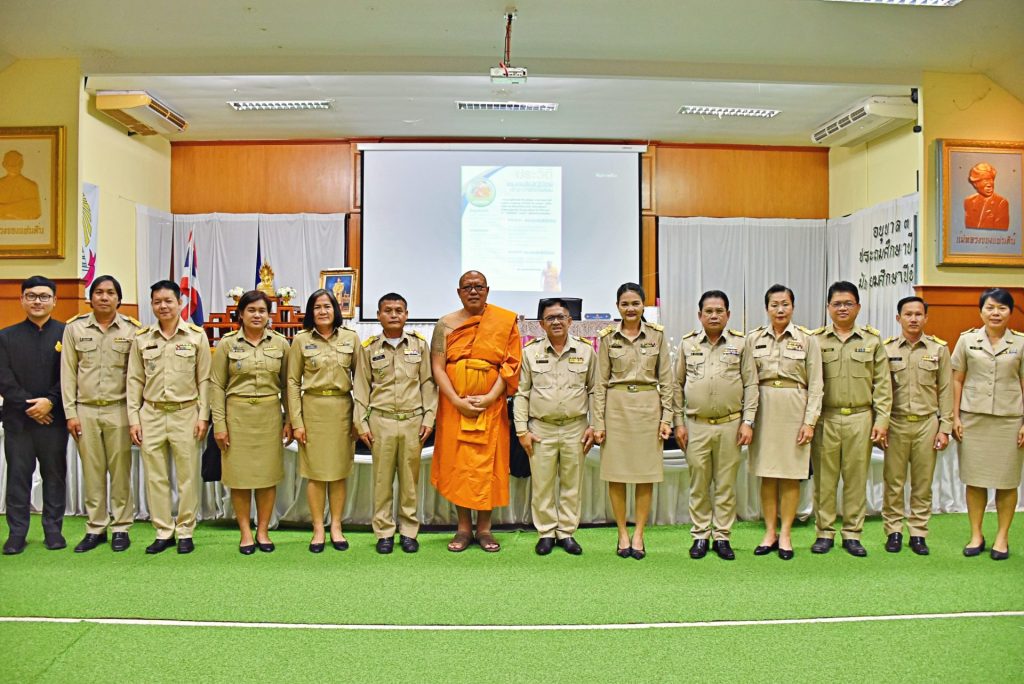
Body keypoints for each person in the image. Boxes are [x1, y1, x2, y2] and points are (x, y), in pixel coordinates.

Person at [431, 271, 522, 553]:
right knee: (459, 465)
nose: (473, 291)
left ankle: (484, 529)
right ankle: (462, 528)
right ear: (459, 292)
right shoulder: (445, 324)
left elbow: (511, 365)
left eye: (478, 286)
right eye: (467, 287)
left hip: (491, 406)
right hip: (454, 406)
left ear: (487, 290)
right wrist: (456, 400)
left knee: (488, 465)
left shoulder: (504, 321)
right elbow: (437, 367)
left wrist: (491, 397)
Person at [127, 280, 211, 554]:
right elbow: (134, 380)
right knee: (156, 477)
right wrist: (134, 419)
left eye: (168, 301)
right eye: (157, 302)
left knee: (187, 477)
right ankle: (163, 531)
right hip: (151, 413)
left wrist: (203, 416)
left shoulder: (196, 336)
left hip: (185, 413)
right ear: (152, 305)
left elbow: (204, 380)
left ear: (180, 303)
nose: (163, 306)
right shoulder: (142, 338)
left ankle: (185, 531)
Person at [673, 290, 758, 561]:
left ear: (728, 315)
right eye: (708, 311)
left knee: (725, 484)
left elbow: (751, 384)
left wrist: (748, 422)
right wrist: (678, 423)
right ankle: (700, 535)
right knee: (698, 483)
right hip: (696, 425)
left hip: (730, 425)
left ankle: (722, 536)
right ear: (700, 315)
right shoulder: (688, 344)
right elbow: (676, 385)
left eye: (719, 311)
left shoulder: (741, 344)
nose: (713, 315)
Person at [60, 275, 141, 553]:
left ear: (119, 299)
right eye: (99, 292)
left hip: (119, 409)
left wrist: (134, 416)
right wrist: (70, 412)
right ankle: (95, 527)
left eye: (110, 292)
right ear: (90, 298)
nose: (104, 297)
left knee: (120, 472)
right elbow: (68, 373)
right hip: (85, 410)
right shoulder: (74, 328)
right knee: (92, 472)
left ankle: (121, 527)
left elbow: (136, 377)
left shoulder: (132, 330)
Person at [592, 283, 673, 560]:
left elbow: (667, 381)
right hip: (616, 409)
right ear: (617, 306)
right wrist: (599, 423)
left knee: (645, 475)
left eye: (635, 303)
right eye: (625, 304)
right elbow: (600, 384)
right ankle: (622, 532)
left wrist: (667, 418)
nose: (630, 309)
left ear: (643, 305)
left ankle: (638, 533)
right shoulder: (607, 338)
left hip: (648, 409)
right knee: (616, 474)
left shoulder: (657, 336)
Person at [811, 281, 892, 557]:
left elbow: (882, 385)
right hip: (826, 418)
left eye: (848, 303)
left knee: (856, 479)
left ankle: (852, 534)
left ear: (858, 307)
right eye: (837, 304)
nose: (842, 308)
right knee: (824, 480)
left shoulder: (872, 340)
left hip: (860, 417)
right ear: (828, 307)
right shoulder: (816, 340)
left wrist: (882, 421)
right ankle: (824, 532)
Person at [210, 290, 292, 555]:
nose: (257, 315)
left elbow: (288, 385)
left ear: (269, 315)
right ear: (241, 314)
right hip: (237, 417)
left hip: (269, 415)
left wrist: (290, 419)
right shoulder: (227, 344)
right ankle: (245, 532)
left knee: (267, 477)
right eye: (252, 310)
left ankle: (263, 531)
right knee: (240, 477)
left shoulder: (281, 344)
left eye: (262, 311)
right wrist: (219, 425)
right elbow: (216, 386)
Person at [354, 293, 437, 554]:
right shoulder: (369, 347)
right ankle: (384, 532)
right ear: (378, 315)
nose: (393, 314)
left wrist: (429, 418)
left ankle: (409, 531)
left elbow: (427, 383)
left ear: (406, 314)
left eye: (398, 310)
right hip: (381, 421)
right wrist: (362, 424)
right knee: (382, 481)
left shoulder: (419, 345)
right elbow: (361, 387)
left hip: (413, 421)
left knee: (410, 482)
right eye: (388, 310)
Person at [514, 298, 596, 556]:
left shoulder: (586, 351)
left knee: (572, 484)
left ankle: (567, 532)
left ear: (570, 321)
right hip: (541, 429)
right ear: (541, 324)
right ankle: (547, 533)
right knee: (542, 485)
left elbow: (595, 390)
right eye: (550, 318)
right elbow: (521, 393)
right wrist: (521, 430)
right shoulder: (530, 352)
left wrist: (594, 425)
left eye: (561, 317)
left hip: (576, 427)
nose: (556, 322)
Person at [746, 284, 823, 561]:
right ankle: (769, 532)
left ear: (793, 307)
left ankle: (786, 534)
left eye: (785, 304)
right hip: (764, 408)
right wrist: (748, 420)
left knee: (791, 475)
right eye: (774, 305)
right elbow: (747, 382)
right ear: (766, 308)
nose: (780, 309)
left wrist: (810, 422)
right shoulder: (753, 339)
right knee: (767, 474)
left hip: (794, 408)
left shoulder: (807, 339)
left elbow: (816, 385)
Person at [951, 288, 1024, 561]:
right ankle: (976, 535)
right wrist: (955, 417)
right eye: (990, 307)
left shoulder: (1021, 343)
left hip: (1009, 421)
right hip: (973, 419)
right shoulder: (967, 340)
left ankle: (1002, 537)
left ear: (1010, 312)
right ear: (981, 311)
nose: (996, 313)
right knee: (975, 480)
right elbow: (956, 379)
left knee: (1007, 482)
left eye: (1002, 308)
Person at [286, 289, 360, 554]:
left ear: (335, 309)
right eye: (317, 307)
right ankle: (318, 528)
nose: (322, 311)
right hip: (313, 411)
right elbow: (292, 382)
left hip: (342, 410)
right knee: (316, 475)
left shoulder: (351, 338)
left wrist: (359, 419)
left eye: (327, 306)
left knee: (338, 473)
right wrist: (297, 421)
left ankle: (336, 526)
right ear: (311, 312)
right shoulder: (301, 340)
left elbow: (361, 381)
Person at [0, 276, 67, 555]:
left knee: (55, 476)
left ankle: (53, 531)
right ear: (22, 300)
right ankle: (17, 534)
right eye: (31, 296)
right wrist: (31, 407)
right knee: (18, 479)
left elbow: (71, 376)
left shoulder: (67, 334)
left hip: (54, 420)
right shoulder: (5, 336)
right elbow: (4, 379)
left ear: (54, 300)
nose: (37, 301)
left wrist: (50, 402)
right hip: (18, 422)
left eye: (43, 296)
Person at [882, 296, 953, 555]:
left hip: (927, 424)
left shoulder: (939, 349)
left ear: (926, 318)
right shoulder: (886, 349)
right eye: (908, 314)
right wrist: (881, 424)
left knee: (923, 483)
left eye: (918, 314)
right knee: (893, 482)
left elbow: (946, 390)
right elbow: (880, 390)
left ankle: (918, 533)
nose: (913, 319)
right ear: (898, 318)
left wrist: (945, 427)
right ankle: (894, 531)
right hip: (896, 423)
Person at [963, 163, 1010, 230]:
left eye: (991, 179)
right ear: (975, 184)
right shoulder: (969, 201)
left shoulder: (1001, 203)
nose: (989, 185)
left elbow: (1000, 232)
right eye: (984, 180)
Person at [0, 150, 42, 220]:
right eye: (11, 164)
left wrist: (4, 208)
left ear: (21, 164)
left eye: (15, 163)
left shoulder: (31, 185)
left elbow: (35, 211)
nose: (13, 167)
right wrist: (21, 205)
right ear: (4, 164)